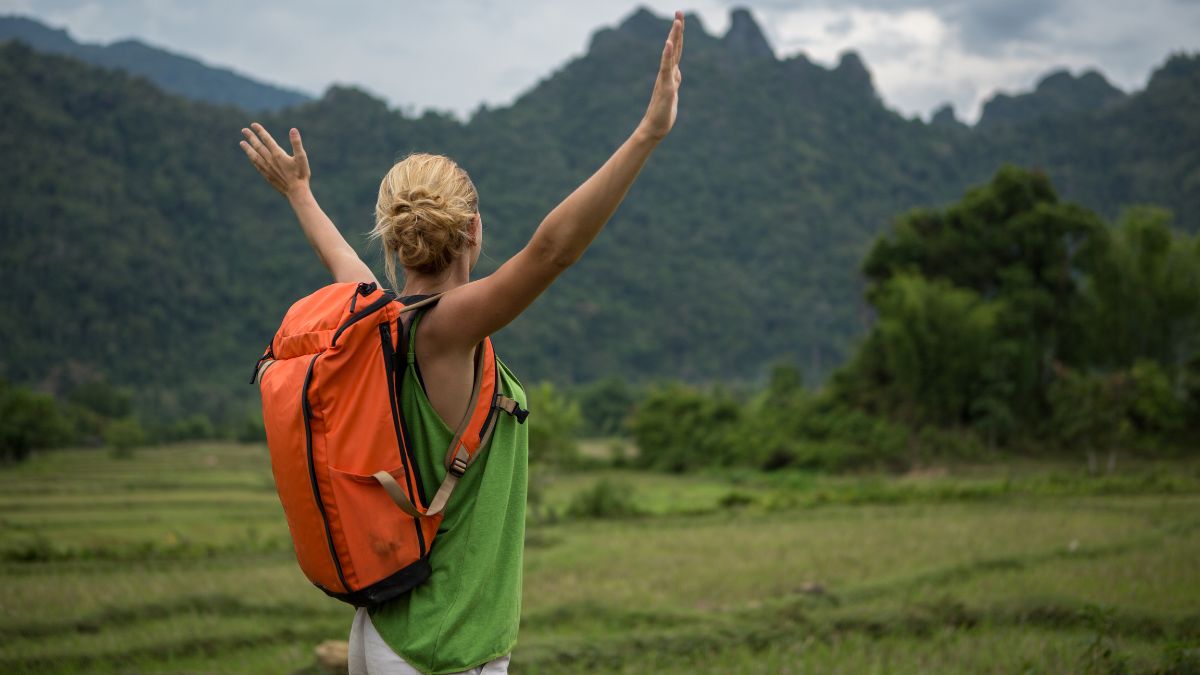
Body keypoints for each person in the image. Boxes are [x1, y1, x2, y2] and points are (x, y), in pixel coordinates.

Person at [238, 11, 685, 674]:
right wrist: (648, 133)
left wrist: (300, 192)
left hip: (385, 631)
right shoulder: (447, 332)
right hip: (441, 647)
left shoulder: (384, 326)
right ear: (475, 230)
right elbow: (553, 250)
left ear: (393, 241)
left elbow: (344, 267)